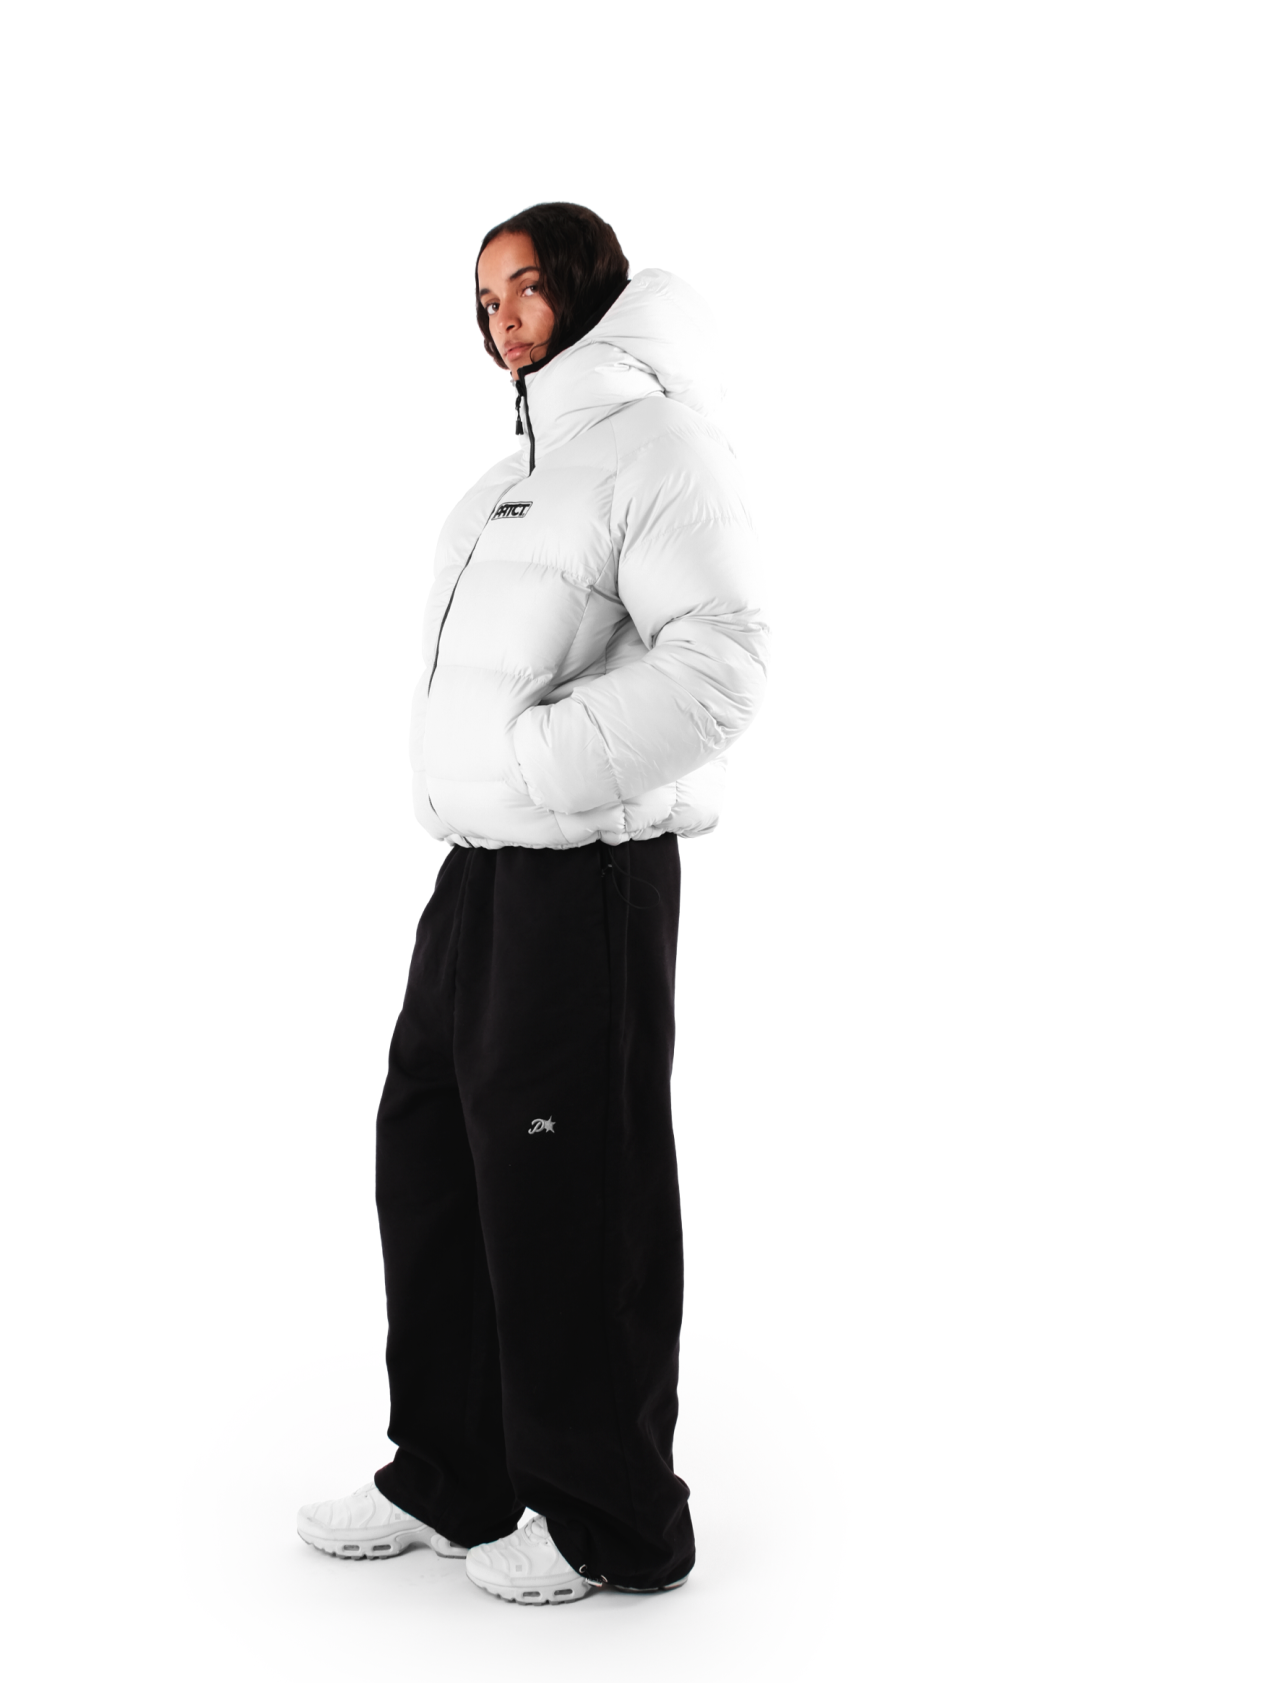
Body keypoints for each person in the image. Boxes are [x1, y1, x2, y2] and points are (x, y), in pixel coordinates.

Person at [297, 202, 769, 1603]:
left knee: (575, 1182)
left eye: (523, 286)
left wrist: (540, 767)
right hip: (484, 869)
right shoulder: (515, 476)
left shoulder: (661, 448)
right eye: (482, 295)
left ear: (586, 285)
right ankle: (454, 1474)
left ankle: (611, 1518)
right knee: (433, 1150)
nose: (501, 315)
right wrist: (490, 788)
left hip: (588, 872)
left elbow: (723, 662)